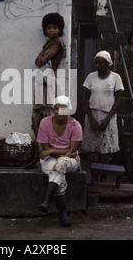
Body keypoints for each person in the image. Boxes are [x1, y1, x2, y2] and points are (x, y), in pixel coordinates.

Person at [37, 96, 82, 227]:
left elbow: (72, 151)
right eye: (56, 108)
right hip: (51, 159)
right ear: (53, 110)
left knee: (61, 163)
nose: (59, 112)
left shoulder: (75, 125)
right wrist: (53, 152)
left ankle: (46, 200)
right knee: (55, 169)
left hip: (70, 161)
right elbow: (45, 147)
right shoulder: (45, 123)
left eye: (63, 109)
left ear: (69, 111)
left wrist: (51, 151)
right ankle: (62, 213)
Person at [82, 51, 124, 181]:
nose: (97, 65)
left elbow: (117, 101)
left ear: (108, 64)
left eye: (100, 63)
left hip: (108, 116)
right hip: (92, 115)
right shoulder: (90, 77)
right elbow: (84, 99)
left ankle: (104, 176)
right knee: (93, 149)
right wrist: (91, 119)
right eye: (96, 63)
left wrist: (107, 119)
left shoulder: (115, 78)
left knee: (107, 149)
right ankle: (94, 175)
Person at [32, 13, 67, 138]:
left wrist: (42, 58)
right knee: (42, 111)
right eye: (49, 28)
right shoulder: (49, 43)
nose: (51, 30)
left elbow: (41, 60)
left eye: (54, 27)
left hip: (52, 80)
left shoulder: (57, 43)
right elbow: (37, 60)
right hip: (45, 80)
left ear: (59, 29)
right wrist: (41, 58)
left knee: (51, 109)